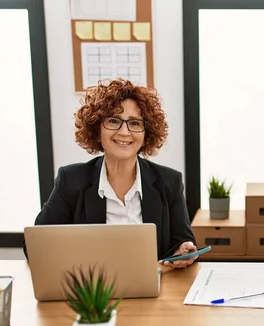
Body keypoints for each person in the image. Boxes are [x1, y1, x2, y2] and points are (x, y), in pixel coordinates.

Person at [29, 79, 197, 268]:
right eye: (114, 121)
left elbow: (183, 243)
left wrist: (184, 251)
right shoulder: (71, 180)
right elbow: (35, 246)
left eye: (134, 123)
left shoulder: (169, 182)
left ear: (146, 133)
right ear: (96, 129)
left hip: (153, 290)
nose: (124, 132)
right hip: (93, 291)